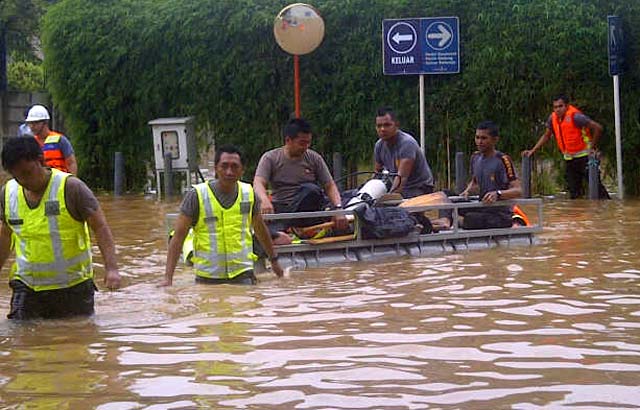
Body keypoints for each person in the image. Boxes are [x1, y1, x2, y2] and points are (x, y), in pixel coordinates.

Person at [0, 137, 121, 320]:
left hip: (72, 287)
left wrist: (111, 269)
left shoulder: (71, 188)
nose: (23, 180)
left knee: (73, 338)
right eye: (17, 176)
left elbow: (100, 227)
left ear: (41, 160)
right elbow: (5, 235)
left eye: (27, 172)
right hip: (27, 285)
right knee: (20, 338)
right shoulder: (8, 193)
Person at [162, 144, 283, 286]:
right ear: (216, 169)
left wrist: (274, 261)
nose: (229, 172)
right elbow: (178, 237)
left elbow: (260, 229)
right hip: (208, 278)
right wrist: (168, 278)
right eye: (224, 166)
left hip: (243, 274)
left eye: (234, 167)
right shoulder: (197, 196)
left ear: (242, 170)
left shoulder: (249, 194)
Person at [253, 118, 347, 240]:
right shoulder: (270, 158)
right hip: (282, 208)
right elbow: (258, 182)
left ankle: (285, 229)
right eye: (302, 143)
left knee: (312, 190)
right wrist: (264, 200)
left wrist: (338, 209)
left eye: (308, 143)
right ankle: (282, 228)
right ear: (288, 140)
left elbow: (329, 185)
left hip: (308, 208)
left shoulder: (314, 158)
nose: (305, 147)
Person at [522, 95, 609, 199]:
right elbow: (546, 135)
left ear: (567, 106)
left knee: (597, 189)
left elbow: (598, 128)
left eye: (560, 106)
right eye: (555, 107)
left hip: (585, 157)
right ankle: (579, 214)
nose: (557, 109)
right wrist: (533, 150)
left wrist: (592, 147)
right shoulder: (552, 118)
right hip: (570, 159)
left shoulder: (576, 117)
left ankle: (607, 207)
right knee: (574, 192)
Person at [459, 121, 522, 229]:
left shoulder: (503, 160)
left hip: (499, 214)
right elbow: (474, 181)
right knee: (446, 196)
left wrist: (498, 194)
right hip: (481, 206)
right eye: (477, 137)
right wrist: (467, 191)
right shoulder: (475, 157)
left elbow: (518, 191)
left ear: (495, 140)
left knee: (471, 218)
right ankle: (446, 222)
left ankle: (458, 222)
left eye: (484, 138)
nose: (479, 142)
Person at [374, 107, 435, 198]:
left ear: (396, 125)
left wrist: (387, 199)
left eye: (387, 125)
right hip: (399, 185)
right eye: (379, 126)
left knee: (387, 207)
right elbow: (377, 174)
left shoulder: (406, 143)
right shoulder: (379, 145)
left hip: (419, 187)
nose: (382, 129)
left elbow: (401, 178)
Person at [24, 104, 78, 174]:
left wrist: (72, 181)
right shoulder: (31, 143)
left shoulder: (60, 140)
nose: (32, 126)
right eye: (30, 123)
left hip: (60, 181)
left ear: (45, 122)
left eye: (35, 123)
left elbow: (71, 163)